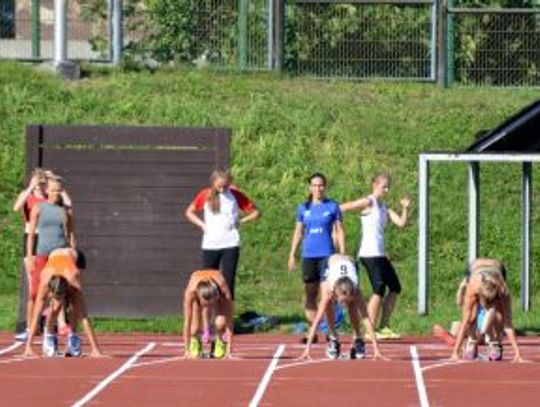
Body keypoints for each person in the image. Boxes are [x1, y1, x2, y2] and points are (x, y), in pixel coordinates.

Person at [340, 173, 410, 340]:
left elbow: (401, 223)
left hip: (380, 255)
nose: (386, 190)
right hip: (369, 254)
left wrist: (405, 208)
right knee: (378, 289)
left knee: (395, 288)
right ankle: (370, 330)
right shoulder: (369, 201)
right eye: (383, 186)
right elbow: (344, 207)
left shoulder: (384, 207)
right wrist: (331, 214)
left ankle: (384, 326)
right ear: (374, 185)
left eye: (387, 187)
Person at [185, 169, 260, 302]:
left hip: (230, 244)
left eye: (225, 186)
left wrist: (241, 221)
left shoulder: (235, 194)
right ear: (213, 183)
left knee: (228, 281)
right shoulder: (205, 194)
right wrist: (202, 225)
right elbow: (189, 212)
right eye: (219, 186)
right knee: (207, 283)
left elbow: (256, 212)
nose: (222, 189)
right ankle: (208, 318)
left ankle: (227, 319)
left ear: (229, 183)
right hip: (210, 244)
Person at [288, 173, 345, 343]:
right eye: (314, 185)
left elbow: (340, 230)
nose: (318, 188)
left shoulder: (333, 206)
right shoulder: (303, 208)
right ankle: (312, 331)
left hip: (327, 255)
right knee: (310, 295)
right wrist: (292, 254)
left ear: (325, 187)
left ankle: (331, 331)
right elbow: (298, 232)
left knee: (327, 294)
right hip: (308, 255)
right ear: (310, 187)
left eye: (321, 185)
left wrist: (342, 253)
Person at [23, 248, 103, 357]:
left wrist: (95, 349)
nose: (60, 300)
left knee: (75, 306)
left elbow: (84, 316)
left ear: (67, 288)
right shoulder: (45, 278)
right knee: (55, 308)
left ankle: (73, 338)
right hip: (53, 256)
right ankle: (49, 337)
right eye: (56, 296)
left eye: (61, 296)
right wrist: (28, 347)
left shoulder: (74, 277)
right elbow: (36, 315)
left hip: (74, 256)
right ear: (50, 291)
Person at [300, 254, 382, 360]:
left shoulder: (356, 291)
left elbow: (366, 318)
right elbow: (317, 320)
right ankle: (333, 336)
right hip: (330, 263)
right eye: (342, 301)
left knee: (353, 305)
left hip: (350, 263)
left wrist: (376, 349)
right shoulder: (329, 291)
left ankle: (357, 337)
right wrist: (307, 349)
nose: (343, 305)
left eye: (346, 301)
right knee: (327, 305)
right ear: (336, 293)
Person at [450, 258, 523, 362]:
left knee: (499, 313)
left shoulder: (503, 291)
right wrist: (455, 352)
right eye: (485, 303)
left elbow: (508, 324)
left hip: (497, 268)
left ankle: (495, 343)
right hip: (475, 268)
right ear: (479, 296)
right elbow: (465, 322)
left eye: (490, 303)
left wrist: (517, 352)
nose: (487, 307)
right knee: (471, 317)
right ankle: (471, 341)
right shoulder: (473, 287)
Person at [13, 168, 48, 341]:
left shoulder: (49, 195)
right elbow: (16, 207)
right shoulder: (27, 195)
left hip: (47, 238)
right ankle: (30, 327)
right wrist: (30, 188)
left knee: (47, 283)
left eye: (43, 179)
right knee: (32, 284)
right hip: (31, 238)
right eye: (38, 179)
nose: (40, 182)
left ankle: (44, 322)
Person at [182, 269, 234, 359]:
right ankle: (196, 340)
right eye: (205, 305)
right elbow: (187, 322)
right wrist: (187, 350)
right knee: (194, 329)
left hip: (218, 288)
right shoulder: (190, 293)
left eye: (210, 304)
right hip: (197, 286)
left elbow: (229, 321)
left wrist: (229, 349)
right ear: (198, 297)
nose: (208, 307)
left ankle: (219, 340)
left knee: (221, 323)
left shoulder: (224, 290)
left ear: (215, 297)